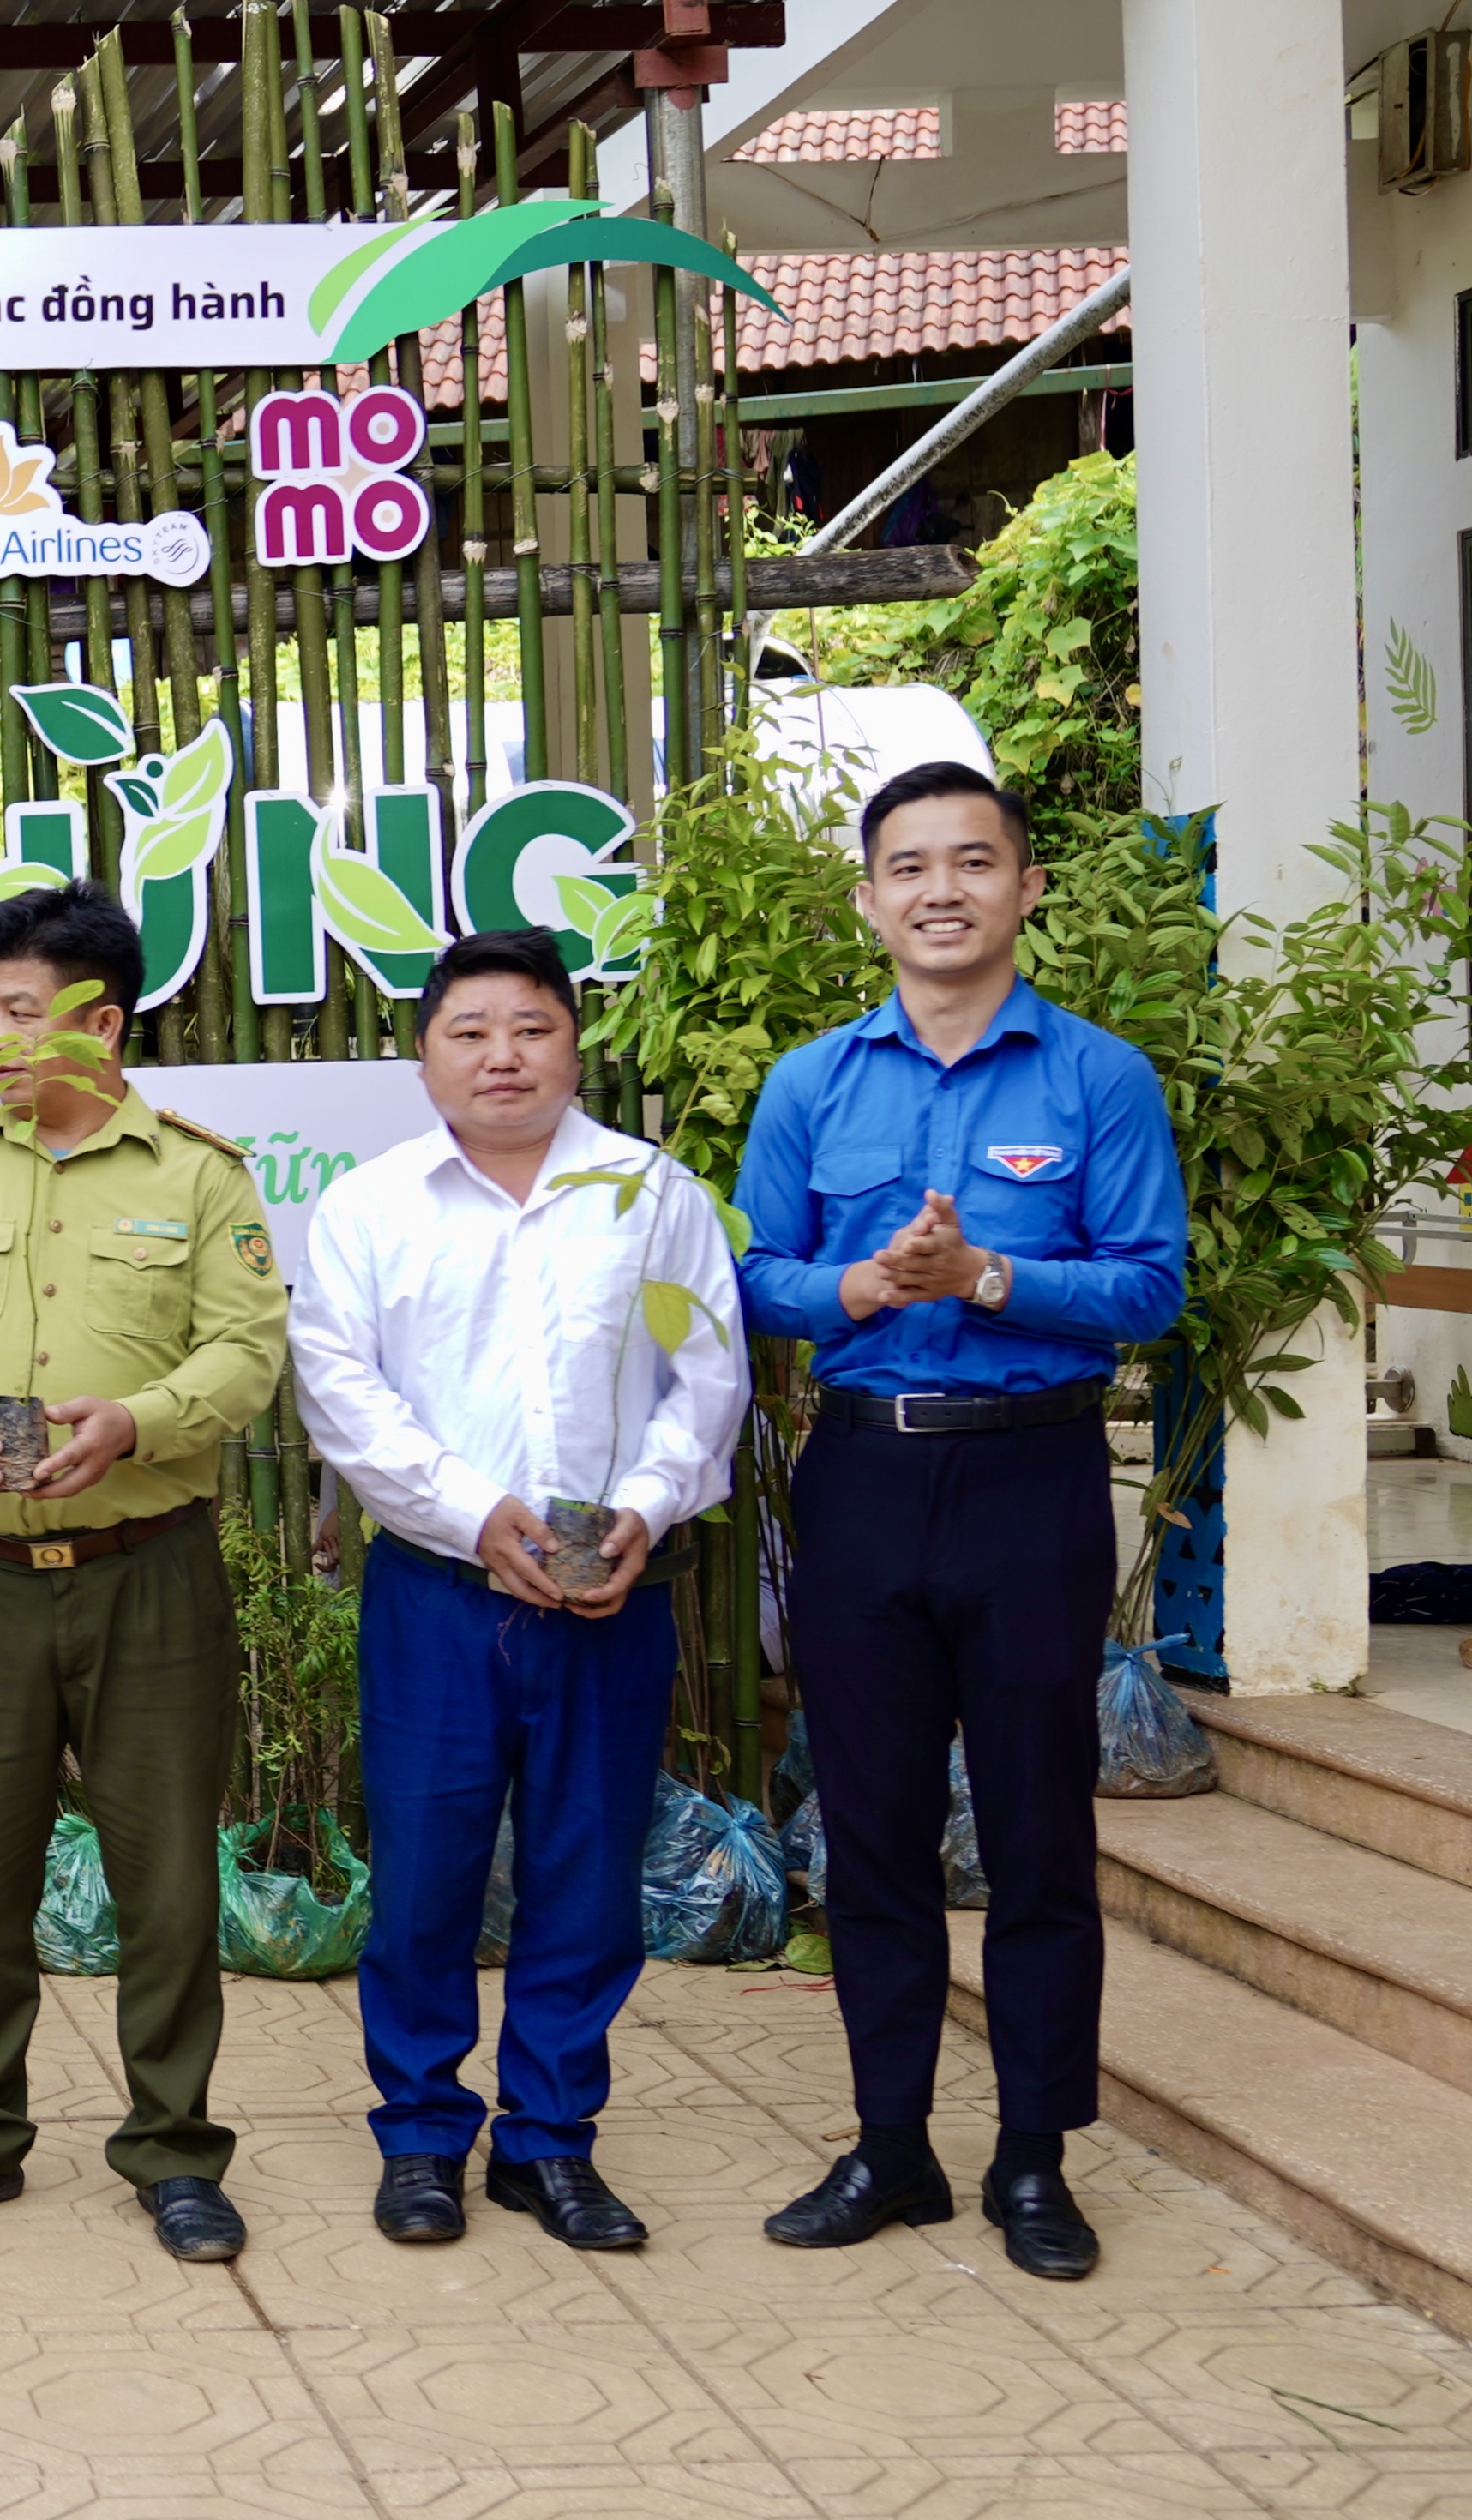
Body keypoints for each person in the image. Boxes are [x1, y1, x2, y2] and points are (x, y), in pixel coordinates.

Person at [732, 761, 1185, 2284]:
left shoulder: (1095, 1078)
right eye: (908, 865)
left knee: (1041, 1835)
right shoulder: (812, 1084)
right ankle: (892, 2143)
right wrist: (858, 1288)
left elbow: (1150, 1285)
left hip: (1029, 1480)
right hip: (862, 1474)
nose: (941, 888)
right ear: (868, 898)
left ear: (1024, 886)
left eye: (972, 861)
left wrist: (989, 1277)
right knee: (870, 1835)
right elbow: (751, 1273)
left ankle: (1035, 2157)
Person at [0, 881, 286, 2264]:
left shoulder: (199, 1176)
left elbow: (248, 1352)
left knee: (166, 1883)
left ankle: (173, 2147)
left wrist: (137, 1422)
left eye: (19, 1012)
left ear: (102, 1019)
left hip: (149, 1569)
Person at [286, 929, 748, 2254]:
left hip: (610, 1591)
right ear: (421, 1054)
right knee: (424, 1875)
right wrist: (469, 1511)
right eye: (468, 1030)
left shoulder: (649, 1193)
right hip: (439, 1592)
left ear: (571, 1042)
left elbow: (703, 1376)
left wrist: (643, 1512)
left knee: (584, 1875)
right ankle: (420, 2135)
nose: (501, 1055)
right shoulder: (370, 1205)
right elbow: (341, 1392)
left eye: (530, 1027)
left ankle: (548, 2141)